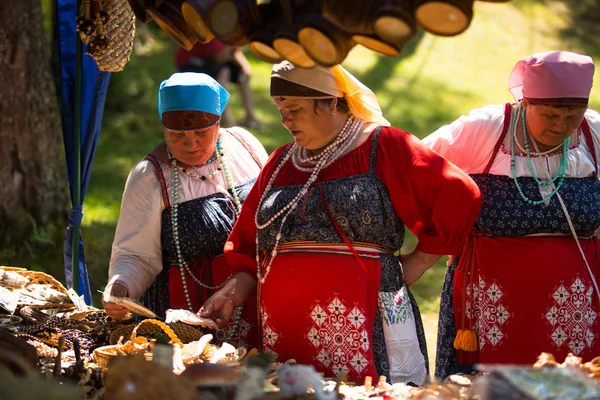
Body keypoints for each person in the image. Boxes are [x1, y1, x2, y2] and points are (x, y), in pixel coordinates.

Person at [199, 61, 482, 384]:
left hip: (365, 320)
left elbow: (459, 194)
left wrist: (417, 262)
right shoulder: (280, 163)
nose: (284, 119)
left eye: (294, 108)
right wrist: (231, 295)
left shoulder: (384, 146)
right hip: (288, 328)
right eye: (280, 109)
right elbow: (250, 248)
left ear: (332, 101)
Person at [423, 51, 600, 380]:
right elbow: (415, 168)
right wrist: (444, 234)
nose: (560, 126)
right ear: (526, 103)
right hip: (491, 301)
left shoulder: (593, 133)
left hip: (573, 306)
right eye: (549, 115)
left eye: (572, 115)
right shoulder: (488, 128)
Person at [102, 72, 269, 348]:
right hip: (185, 321)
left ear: (218, 122)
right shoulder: (151, 176)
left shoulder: (244, 146)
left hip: (254, 302)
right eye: (177, 135)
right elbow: (135, 255)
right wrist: (121, 287)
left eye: (201, 133)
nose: (190, 144)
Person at [176, 39, 260, 129]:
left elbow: (234, 52)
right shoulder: (214, 29)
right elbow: (219, 57)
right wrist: (235, 43)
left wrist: (244, 67)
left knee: (242, 74)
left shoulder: (229, 31)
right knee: (224, 72)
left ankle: (250, 117)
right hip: (192, 63)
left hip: (213, 60)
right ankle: (228, 120)